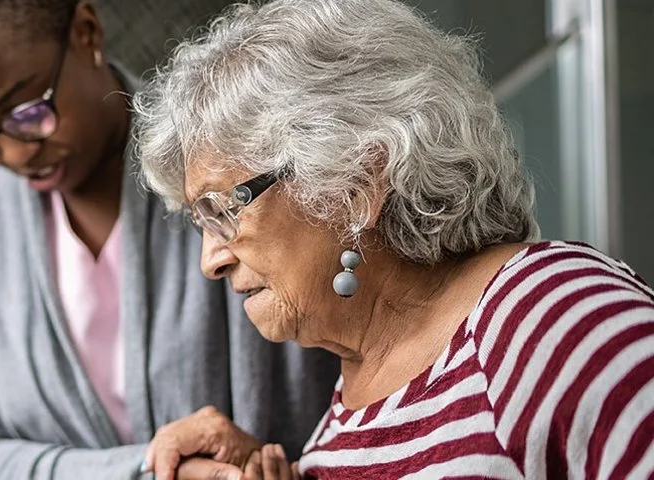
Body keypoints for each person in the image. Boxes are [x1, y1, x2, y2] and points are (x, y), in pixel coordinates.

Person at [133, 0, 654, 478]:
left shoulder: (544, 314)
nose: (210, 262)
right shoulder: (333, 432)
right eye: (200, 222)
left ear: (355, 186)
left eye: (223, 208)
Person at [0, 0, 340, 478]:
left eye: (28, 111)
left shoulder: (230, 156)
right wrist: (152, 469)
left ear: (87, 32)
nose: (12, 152)